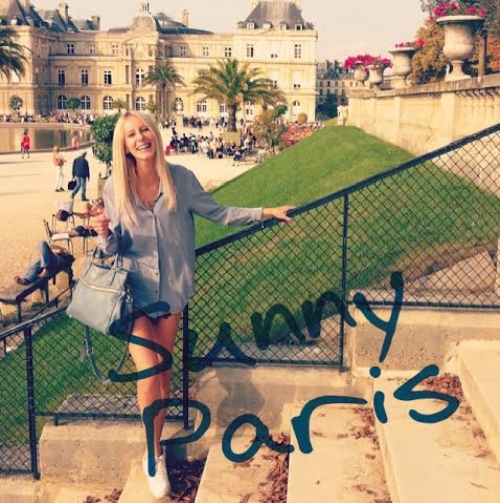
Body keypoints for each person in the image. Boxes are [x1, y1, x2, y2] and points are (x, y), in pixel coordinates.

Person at [91, 111, 293, 499]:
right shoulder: (116, 187)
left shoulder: (180, 179)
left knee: (164, 374)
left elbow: (219, 213)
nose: (140, 138)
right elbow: (115, 247)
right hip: (132, 293)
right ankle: (153, 455)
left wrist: (264, 212)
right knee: (150, 368)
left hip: (171, 292)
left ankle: (155, 446)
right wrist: (103, 234)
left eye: (145, 130)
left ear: (155, 133)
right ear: (124, 145)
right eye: (131, 135)